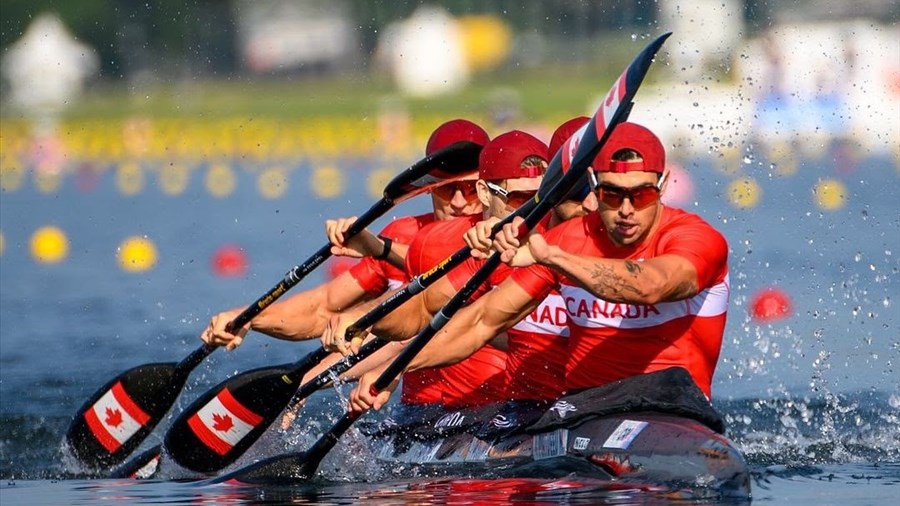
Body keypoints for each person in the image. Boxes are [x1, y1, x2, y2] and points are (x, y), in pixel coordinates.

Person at [348, 122, 730, 411]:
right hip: (583, 413)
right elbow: (482, 322)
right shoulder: (569, 237)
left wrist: (552, 257)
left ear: (662, 186)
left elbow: (652, 285)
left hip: (676, 409)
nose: (626, 209)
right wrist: (395, 370)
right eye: (612, 194)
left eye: (641, 194)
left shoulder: (695, 239)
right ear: (594, 185)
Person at [200, 119, 488, 352]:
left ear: (488, 188)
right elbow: (324, 307)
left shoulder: (500, 236)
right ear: (427, 188)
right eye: (447, 190)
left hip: (502, 408)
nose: (460, 202)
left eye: (472, 189)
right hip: (421, 408)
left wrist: (378, 248)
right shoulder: (405, 232)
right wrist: (249, 318)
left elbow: (443, 275)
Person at [323, 129, 549, 408]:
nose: (533, 212)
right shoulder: (450, 245)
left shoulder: (561, 245)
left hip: (562, 403)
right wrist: (362, 320)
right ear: (486, 193)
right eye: (519, 199)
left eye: (542, 199)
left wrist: (393, 366)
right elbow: (425, 309)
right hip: (480, 410)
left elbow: (482, 327)